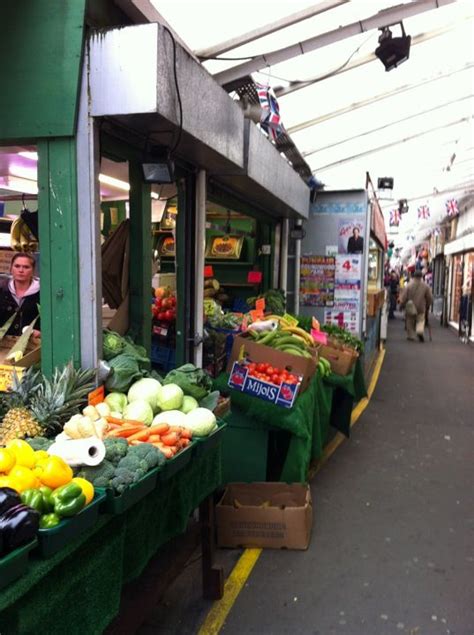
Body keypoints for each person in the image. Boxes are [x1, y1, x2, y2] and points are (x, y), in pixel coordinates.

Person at [0, 252, 40, 336]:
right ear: (11, 268)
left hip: (34, 345)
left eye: (26, 267)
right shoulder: (2, 290)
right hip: (4, 344)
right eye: (17, 266)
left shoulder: (42, 293)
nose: (21, 270)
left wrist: (41, 333)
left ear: (33, 270)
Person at [399, 270, 432, 342]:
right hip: (421, 306)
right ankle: (419, 331)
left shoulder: (409, 285)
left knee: (409, 321)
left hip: (410, 306)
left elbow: (404, 297)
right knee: (420, 320)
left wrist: (401, 305)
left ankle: (410, 335)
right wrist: (428, 304)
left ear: (414, 276)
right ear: (421, 277)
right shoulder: (425, 286)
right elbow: (429, 297)